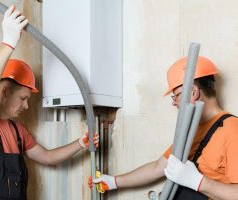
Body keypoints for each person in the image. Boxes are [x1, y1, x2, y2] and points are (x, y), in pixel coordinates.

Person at [0, 5, 98, 200]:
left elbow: (48, 158)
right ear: (5, 92)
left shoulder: (18, 131)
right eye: (23, 98)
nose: (26, 106)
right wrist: (8, 42)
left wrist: (80, 143)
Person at [89, 56, 238, 199]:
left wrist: (199, 182)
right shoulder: (193, 129)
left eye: (175, 96)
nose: (173, 103)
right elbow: (157, 167)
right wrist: (114, 182)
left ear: (193, 92)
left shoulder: (232, 130)